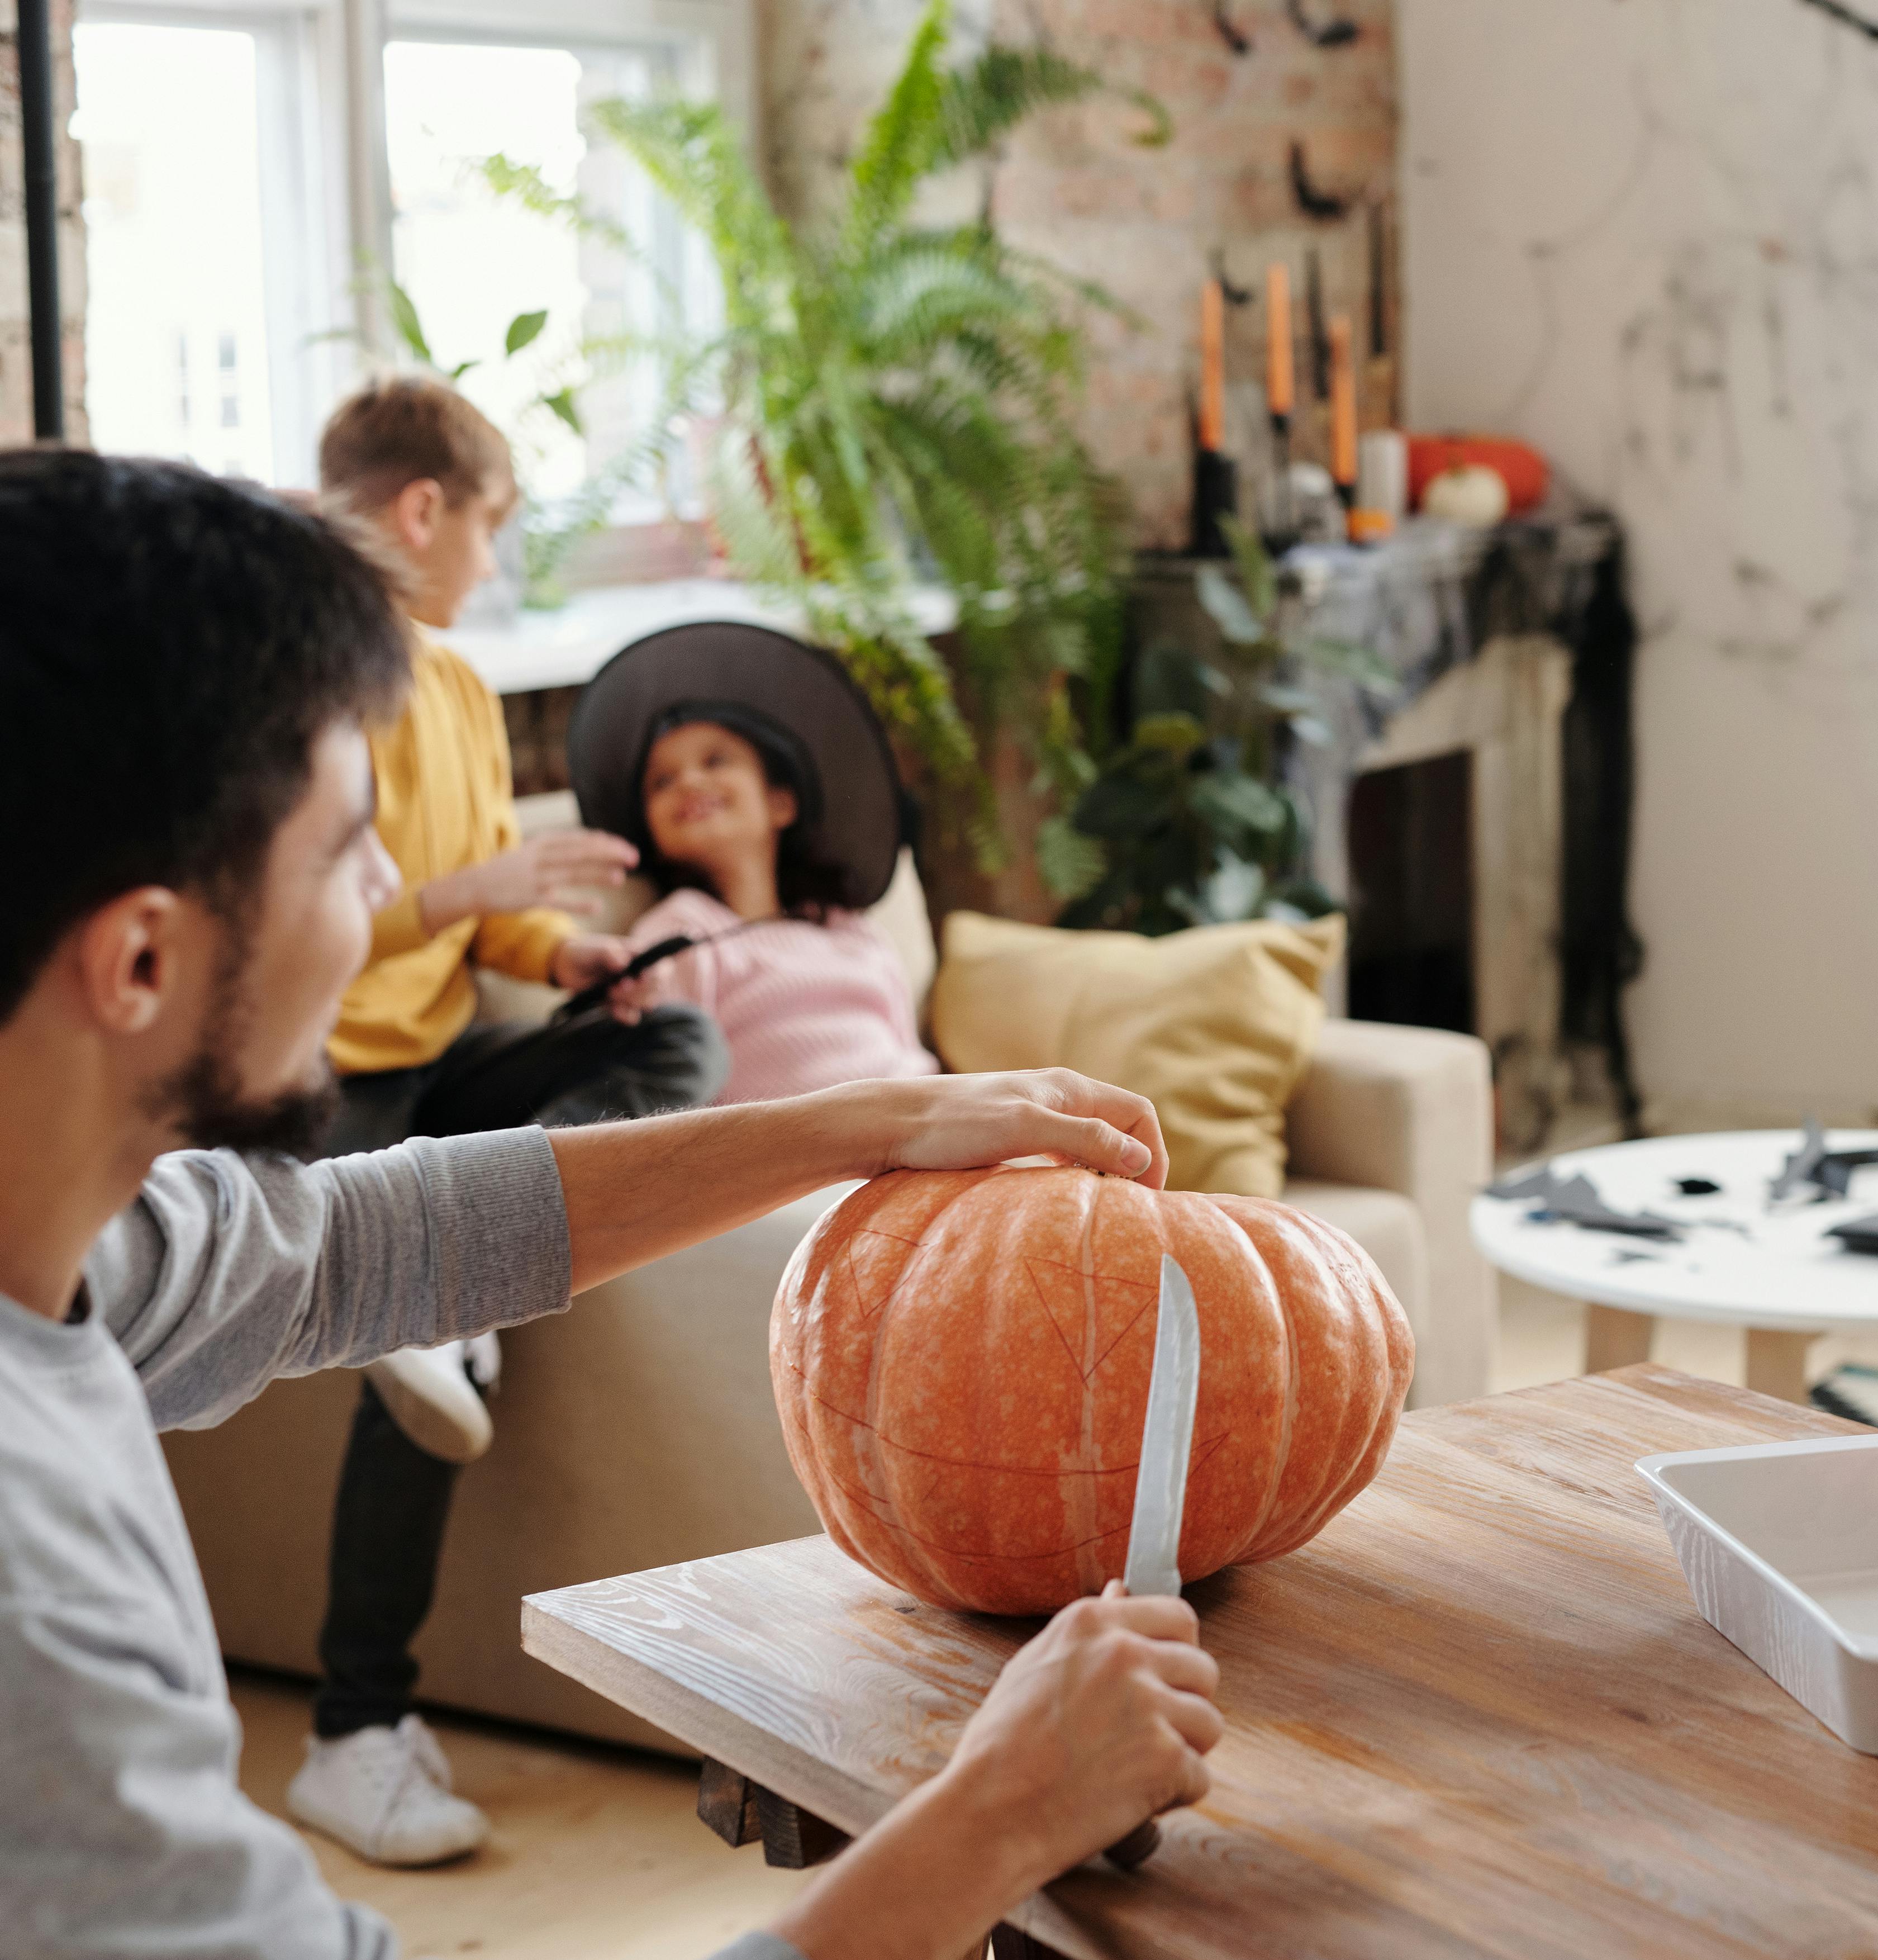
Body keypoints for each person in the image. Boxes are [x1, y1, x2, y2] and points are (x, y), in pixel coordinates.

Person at [0, 450, 1219, 1960]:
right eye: (343, 851)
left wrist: (873, 1118)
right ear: (136, 965)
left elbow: (361, 1242)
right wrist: (1000, 1813)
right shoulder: (28, 1593)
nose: (390, 889)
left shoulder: (74, 1256)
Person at [289, 377, 733, 1864]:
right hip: (312, 1076)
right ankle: (352, 1733)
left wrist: (566, 954)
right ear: (426, 510)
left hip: (432, 1068)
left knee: (675, 1032)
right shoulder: (296, 670)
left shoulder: (463, 691)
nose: (490, 565)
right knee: (411, 1338)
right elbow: (269, 936)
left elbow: (490, 930)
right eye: (490, 530)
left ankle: (468, 1276)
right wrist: (461, 899)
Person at [565, 621, 942, 1105]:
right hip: (813, 1167)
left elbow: (913, 1056)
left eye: (715, 760)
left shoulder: (852, 931)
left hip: (929, 1127)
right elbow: (659, 1097)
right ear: (654, 836)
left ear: (781, 804)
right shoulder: (679, 937)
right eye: (661, 782)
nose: (688, 782)